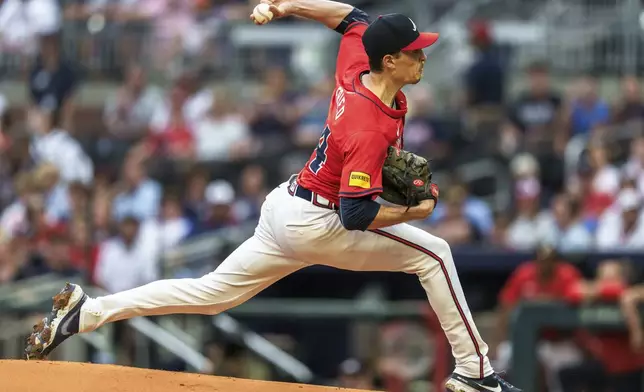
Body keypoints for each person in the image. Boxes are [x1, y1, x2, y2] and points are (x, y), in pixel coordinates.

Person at [25, 1, 520, 391]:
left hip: (286, 205)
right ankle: (474, 370)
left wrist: (286, 5)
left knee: (212, 294)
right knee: (435, 253)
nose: (423, 55)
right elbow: (356, 214)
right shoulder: (368, 125)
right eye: (414, 51)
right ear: (390, 61)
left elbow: (352, 18)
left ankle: (88, 312)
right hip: (321, 221)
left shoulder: (358, 67)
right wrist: (418, 209)